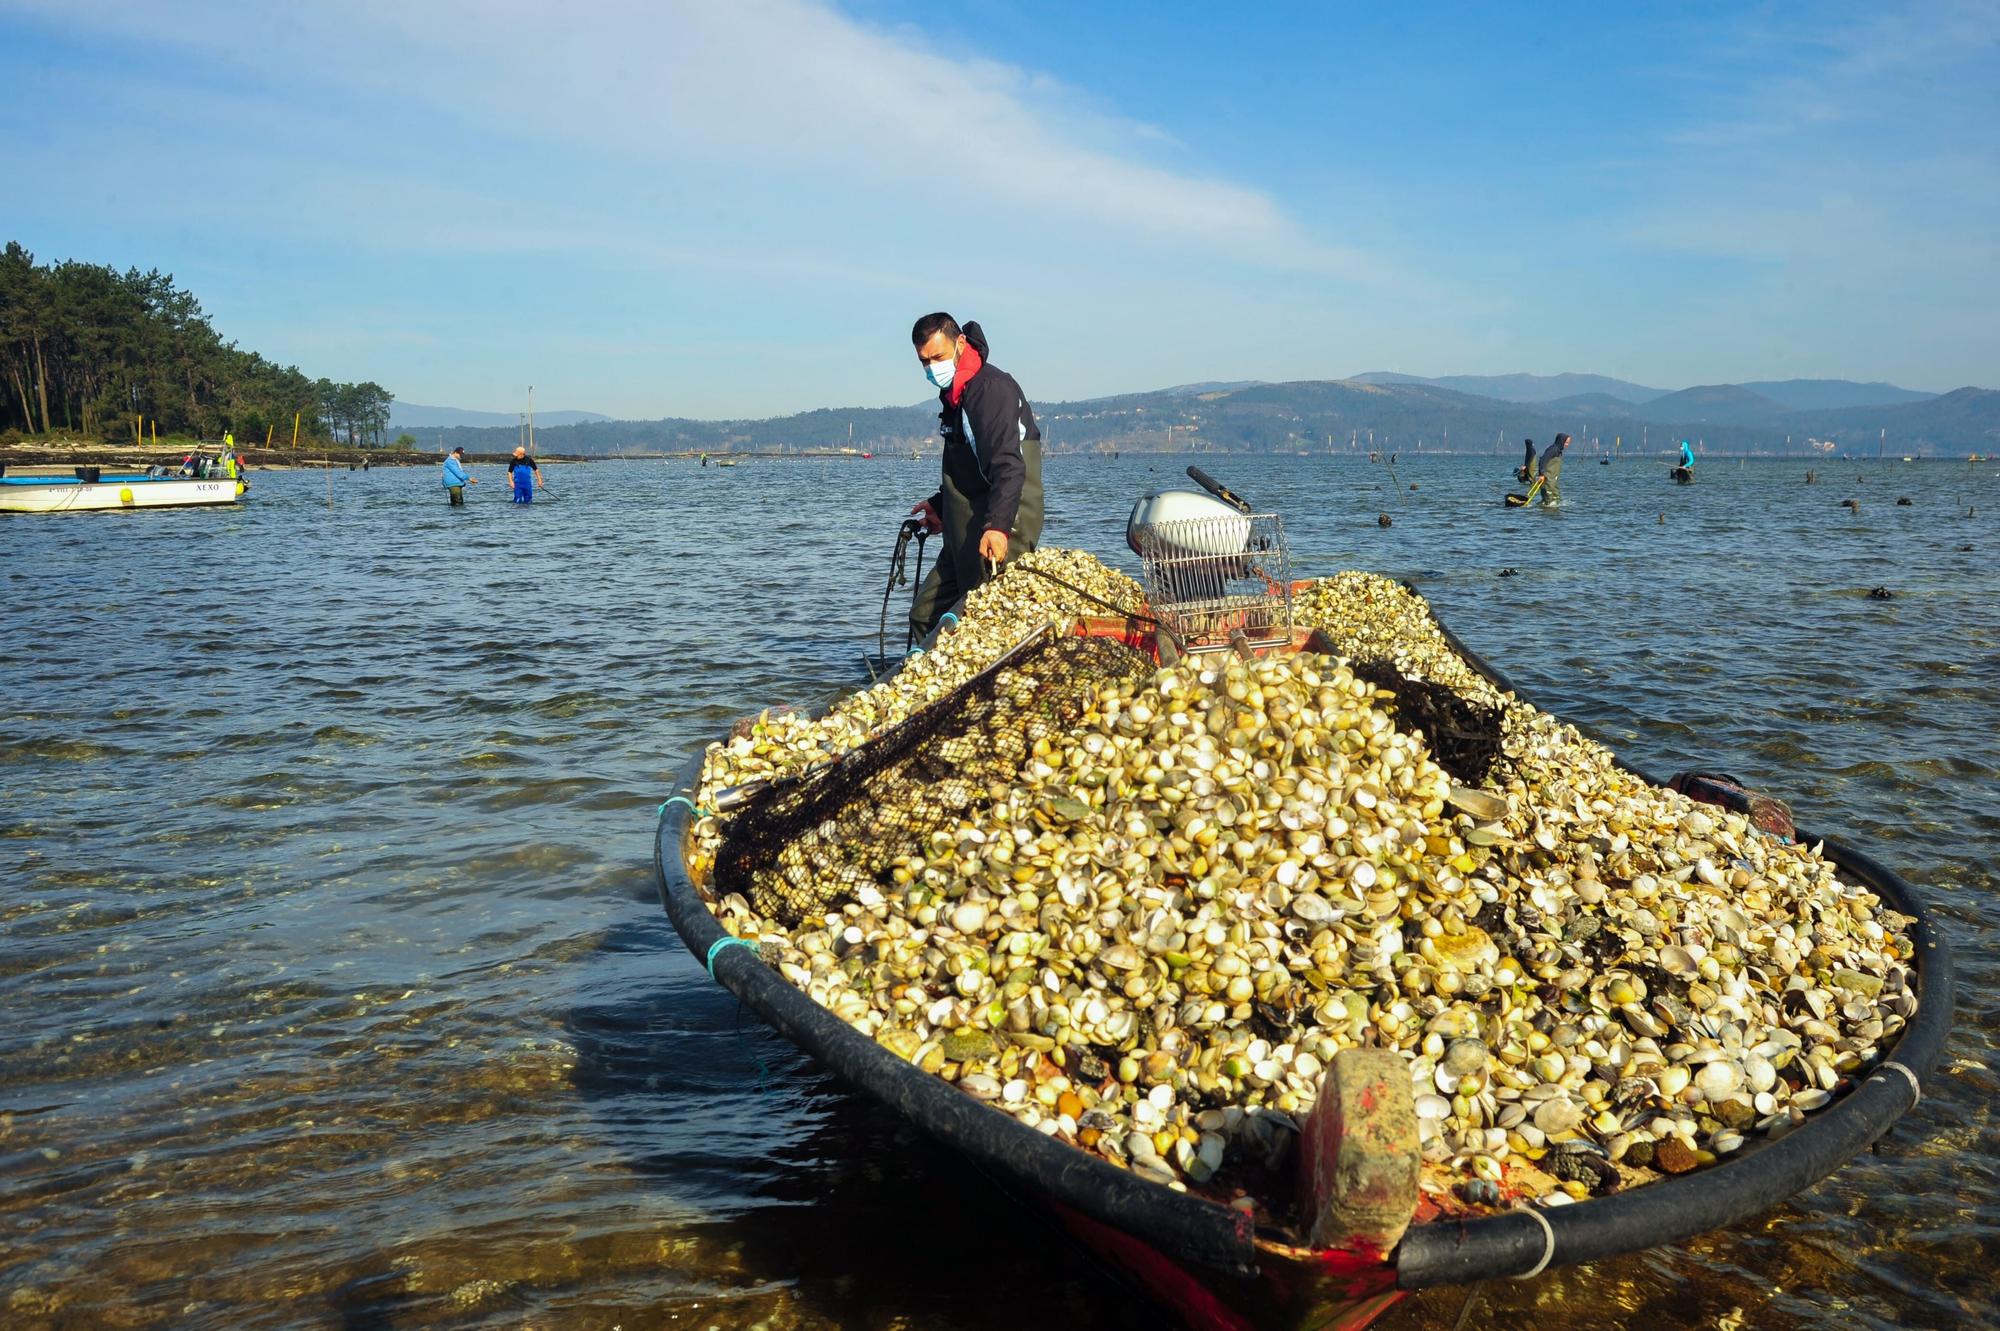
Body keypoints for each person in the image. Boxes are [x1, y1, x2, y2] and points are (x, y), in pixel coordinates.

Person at [905, 313, 1044, 643]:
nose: (931, 368)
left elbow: (1008, 466)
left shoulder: (990, 390)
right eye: (924, 361)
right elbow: (969, 462)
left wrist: (997, 527)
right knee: (925, 614)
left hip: (1007, 515)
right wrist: (941, 506)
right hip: (963, 524)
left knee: (990, 619)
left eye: (937, 357)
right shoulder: (954, 394)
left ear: (960, 344)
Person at [1532, 432, 1569, 506]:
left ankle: (1549, 512)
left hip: (1553, 480)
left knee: (1556, 499)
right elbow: (1542, 460)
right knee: (1549, 500)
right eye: (1566, 442)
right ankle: (1546, 514)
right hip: (1547, 480)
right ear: (1561, 441)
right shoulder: (1553, 449)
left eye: (1568, 443)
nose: (1567, 444)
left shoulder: (1558, 451)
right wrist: (1541, 474)